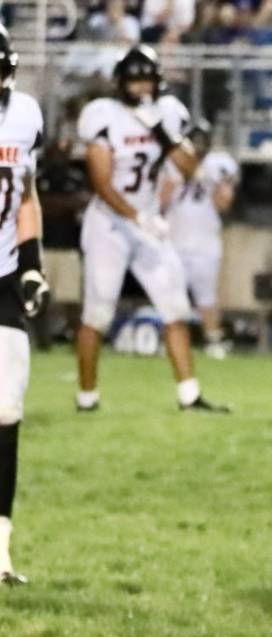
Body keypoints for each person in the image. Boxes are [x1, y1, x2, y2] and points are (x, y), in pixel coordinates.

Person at [74, 45, 226, 413]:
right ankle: (87, 397)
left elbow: (190, 167)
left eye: (146, 80)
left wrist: (162, 133)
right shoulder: (103, 116)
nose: (141, 87)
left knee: (175, 308)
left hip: (148, 224)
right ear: (120, 83)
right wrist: (137, 216)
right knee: (97, 314)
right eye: (134, 80)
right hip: (109, 224)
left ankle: (189, 395)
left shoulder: (168, 113)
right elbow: (102, 182)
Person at [0, 26, 50, 587]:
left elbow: (26, 194)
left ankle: (1, 550)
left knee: (7, 407)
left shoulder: (25, 115)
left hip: (3, 275)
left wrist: (32, 263)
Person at [160, 118, 238, 361]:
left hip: (205, 242)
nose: (197, 147)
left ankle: (213, 339)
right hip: (173, 239)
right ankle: (171, 341)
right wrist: (180, 178)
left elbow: (224, 203)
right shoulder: (170, 164)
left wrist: (208, 180)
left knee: (207, 297)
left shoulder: (219, 165)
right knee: (171, 296)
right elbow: (160, 201)